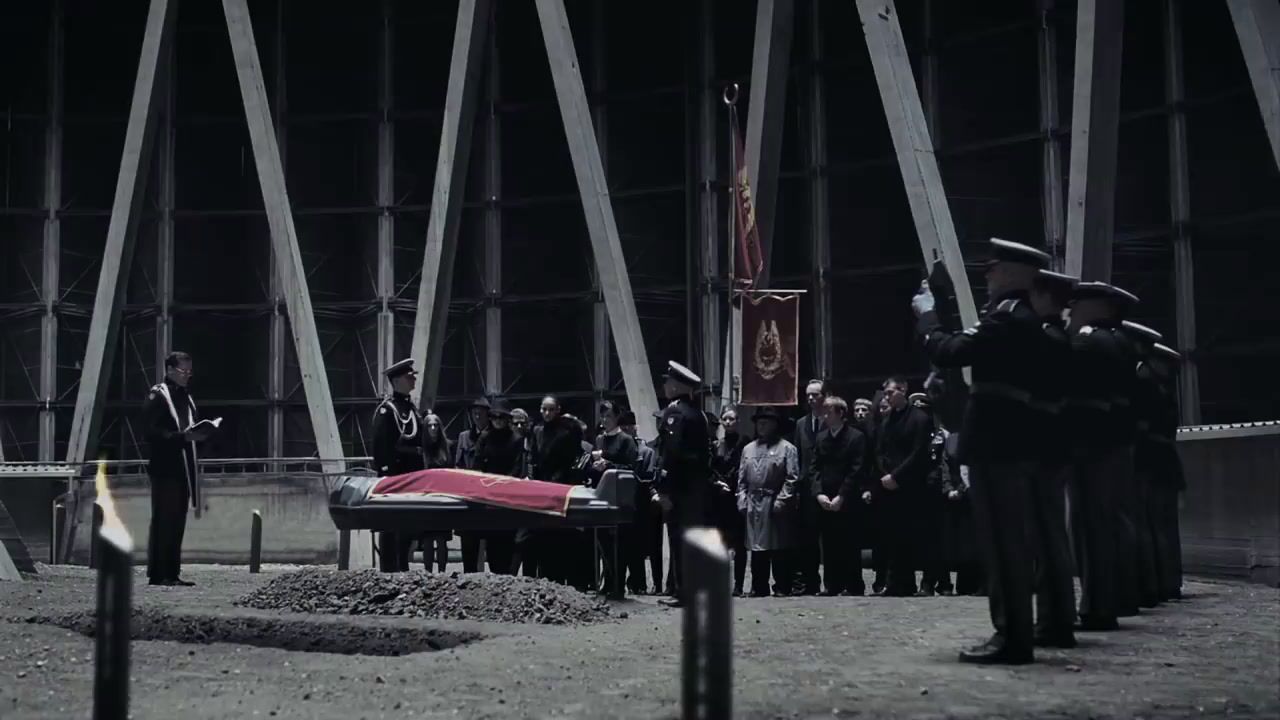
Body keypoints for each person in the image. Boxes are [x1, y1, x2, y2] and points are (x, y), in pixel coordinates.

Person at [912, 238, 1052, 665]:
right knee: (1007, 539)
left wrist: (927, 315)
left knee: (1003, 542)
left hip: (999, 441)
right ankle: (1013, 631)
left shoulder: (1008, 318)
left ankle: (1011, 635)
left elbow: (950, 350)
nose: (988, 274)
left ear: (1014, 274)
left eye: (994, 268)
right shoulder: (1018, 318)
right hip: (1006, 438)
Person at [1066, 280, 1141, 631]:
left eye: (1079, 303)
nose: (1072, 308)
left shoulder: (1089, 341)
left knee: (1088, 525)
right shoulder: (1120, 343)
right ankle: (1119, 595)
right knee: (1112, 522)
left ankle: (1096, 605)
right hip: (1114, 442)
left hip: (1090, 442)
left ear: (1097, 308)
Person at [1027, 269, 1081, 648]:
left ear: (1046, 298)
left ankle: (1054, 619)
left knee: (1046, 537)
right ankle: (1056, 616)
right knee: (1051, 536)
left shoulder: (1046, 338)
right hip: (1056, 446)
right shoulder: (1060, 337)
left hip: (1043, 447)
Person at [144, 351, 210, 587]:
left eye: (190, 372)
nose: (187, 376)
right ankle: (158, 573)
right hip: (165, 468)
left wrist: (200, 434)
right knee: (164, 519)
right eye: (183, 371)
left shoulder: (186, 397)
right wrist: (180, 437)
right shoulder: (159, 395)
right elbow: (151, 431)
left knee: (177, 522)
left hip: (183, 469)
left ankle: (172, 572)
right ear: (170, 370)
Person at [869, 376, 934, 597]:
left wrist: (897, 476)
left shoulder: (920, 419)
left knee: (913, 535)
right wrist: (885, 475)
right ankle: (897, 582)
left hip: (910, 485)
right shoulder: (886, 421)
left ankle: (921, 582)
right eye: (885, 393)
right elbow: (878, 450)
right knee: (892, 536)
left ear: (904, 390)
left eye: (890, 393)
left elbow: (918, 453)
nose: (886, 397)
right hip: (889, 485)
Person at [654, 360, 712, 607]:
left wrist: (664, 488)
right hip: (696, 486)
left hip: (680, 487)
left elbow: (671, 454)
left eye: (668, 381)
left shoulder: (674, 413)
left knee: (678, 538)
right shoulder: (698, 413)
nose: (666, 386)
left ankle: (683, 591)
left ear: (677, 386)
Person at [1120, 319, 1166, 609]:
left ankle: (1143, 586)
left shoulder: (1138, 376)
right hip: (1148, 455)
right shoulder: (1150, 377)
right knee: (1144, 523)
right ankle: (1153, 584)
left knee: (1134, 521)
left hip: (1137, 455)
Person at [738, 407, 801, 597]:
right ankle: (759, 586)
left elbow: (792, 477)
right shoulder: (748, 449)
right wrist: (741, 499)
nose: (762, 425)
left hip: (774, 500)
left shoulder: (787, 448)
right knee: (756, 546)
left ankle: (782, 585)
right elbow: (741, 479)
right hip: (753, 502)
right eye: (759, 422)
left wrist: (782, 500)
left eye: (766, 422)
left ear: (775, 424)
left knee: (778, 545)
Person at [808, 396, 868, 595]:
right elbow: (814, 468)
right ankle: (832, 584)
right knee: (829, 543)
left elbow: (856, 469)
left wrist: (842, 496)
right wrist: (818, 494)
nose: (824, 415)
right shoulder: (821, 437)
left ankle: (853, 585)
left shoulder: (856, 437)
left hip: (847, 499)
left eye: (828, 412)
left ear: (841, 413)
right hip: (825, 498)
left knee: (849, 543)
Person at [370, 358, 426, 572]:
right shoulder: (388, 410)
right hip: (395, 479)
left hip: (410, 478)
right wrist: (388, 477)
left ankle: (401, 567)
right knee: (391, 528)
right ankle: (389, 570)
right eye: (409, 376)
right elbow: (382, 447)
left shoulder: (410, 408)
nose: (413, 378)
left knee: (406, 529)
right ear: (397, 380)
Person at [1141, 343, 1186, 602]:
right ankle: (1170, 580)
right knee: (1165, 527)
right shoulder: (1165, 393)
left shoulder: (1152, 392)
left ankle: (1158, 581)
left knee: (1154, 524)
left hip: (1153, 464)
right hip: (1166, 465)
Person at [530, 395, 588, 587]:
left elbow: (571, 458)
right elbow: (534, 459)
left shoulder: (568, 430)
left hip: (561, 487)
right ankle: (549, 580)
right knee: (545, 537)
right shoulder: (536, 430)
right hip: (541, 488)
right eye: (543, 409)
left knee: (563, 537)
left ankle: (567, 581)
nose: (546, 413)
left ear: (558, 410)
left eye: (550, 409)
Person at [591, 400, 639, 595]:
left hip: (620, 498)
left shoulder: (627, 440)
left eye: (608, 416)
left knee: (620, 544)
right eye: (602, 416)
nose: (604, 420)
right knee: (603, 541)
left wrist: (609, 466)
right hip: (602, 495)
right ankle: (607, 582)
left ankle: (618, 584)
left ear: (617, 417)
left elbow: (632, 469)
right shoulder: (599, 440)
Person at [472, 399, 523, 574]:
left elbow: (517, 467)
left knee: (508, 540)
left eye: (502, 417)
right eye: (495, 417)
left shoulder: (516, 439)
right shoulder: (485, 438)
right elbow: (477, 464)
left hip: (508, 495)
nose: (498, 420)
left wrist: (504, 484)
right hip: (488, 494)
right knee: (492, 544)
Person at [911, 392, 952, 596]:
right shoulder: (912, 433)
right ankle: (928, 582)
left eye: (924, 410)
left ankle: (942, 582)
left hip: (936, 492)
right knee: (924, 540)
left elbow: (945, 462)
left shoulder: (941, 434)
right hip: (916, 491)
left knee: (938, 539)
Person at [790, 379, 827, 595]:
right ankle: (811, 582)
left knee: (830, 537)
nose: (811, 399)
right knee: (808, 539)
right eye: (808, 395)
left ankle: (834, 582)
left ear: (824, 396)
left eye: (815, 395)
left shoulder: (832, 419)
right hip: (806, 488)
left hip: (828, 485)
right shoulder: (801, 424)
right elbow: (798, 455)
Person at [712, 407, 750, 595]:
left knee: (739, 544)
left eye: (732, 419)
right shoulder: (716, 445)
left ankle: (739, 585)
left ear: (738, 421)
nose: (728, 422)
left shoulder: (745, 443)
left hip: (738, 496)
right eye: (725, 419)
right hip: (720, 498)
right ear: (721, 421)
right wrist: (718, 483)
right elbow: (711, 469)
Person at [620, 410, 658, 594]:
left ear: (635, 428)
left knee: (638, 548)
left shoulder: (645, 452)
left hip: (640, 506)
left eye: (629, 426)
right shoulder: (619, 449)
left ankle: (639, 584)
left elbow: (648, 478)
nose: (627, 429)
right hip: (622, 505)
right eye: (623, 426)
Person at [455, 397, 492, 573]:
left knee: (491, 544)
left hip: (489, 495)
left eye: (481, 412)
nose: (477, 416)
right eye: (474, 413)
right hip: (469, 495)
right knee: (469, 543)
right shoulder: (464, 437)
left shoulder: (494, 435)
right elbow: (458, 464)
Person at [419, 412, 453, 572]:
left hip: (442, 497)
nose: (433, 428)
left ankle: (442, 574)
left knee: (441, 540)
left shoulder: (446, 448)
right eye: (430, 425)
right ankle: (427, 574)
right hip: (425, 498)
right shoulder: (421, 450)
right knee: (427, 540)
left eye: (436, 425)